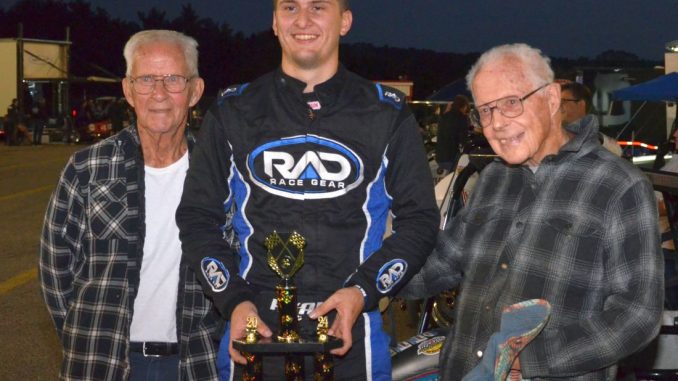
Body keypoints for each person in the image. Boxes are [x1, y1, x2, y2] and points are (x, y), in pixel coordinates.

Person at [176, 1, 439, 380]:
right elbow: (198, 217)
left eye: (318, 7)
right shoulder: (234, 110)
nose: (302, 20)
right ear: (274, 21)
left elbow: (420, 220)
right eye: (290, 7)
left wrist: (363, 293)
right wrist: (232, 300)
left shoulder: (386, 113)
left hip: (350, 334)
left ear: (344, 21)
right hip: (254, 333)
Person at [401, 43, 664, 380]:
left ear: (552, 99)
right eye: (484, 110)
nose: (496, 123)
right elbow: (441, 262)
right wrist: (365, 276)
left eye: (511, 103)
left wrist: (532, 359)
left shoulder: (618, 185)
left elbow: (638, 314)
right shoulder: (494, 177)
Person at [39, 29, 220, 380]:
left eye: (173, 79)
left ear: (195, 91)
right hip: (103, 364)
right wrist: (87, 341)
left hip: (193, 364)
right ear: (128, 90)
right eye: (147, 79)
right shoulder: (86, 169)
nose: (159, 93)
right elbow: (55, 272)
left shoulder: (220, 174)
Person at [560, 80, 622, 156]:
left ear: (581, 104)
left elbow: (617, 152)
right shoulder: (553, 132)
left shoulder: (599, 135)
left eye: (563, 101)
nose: (559, 106)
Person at [435, 94, 471, 176]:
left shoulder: (444, 116)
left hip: (440, 157)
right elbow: (463, 139)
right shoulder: (462, 118)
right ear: (464, 106)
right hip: (452, 157)